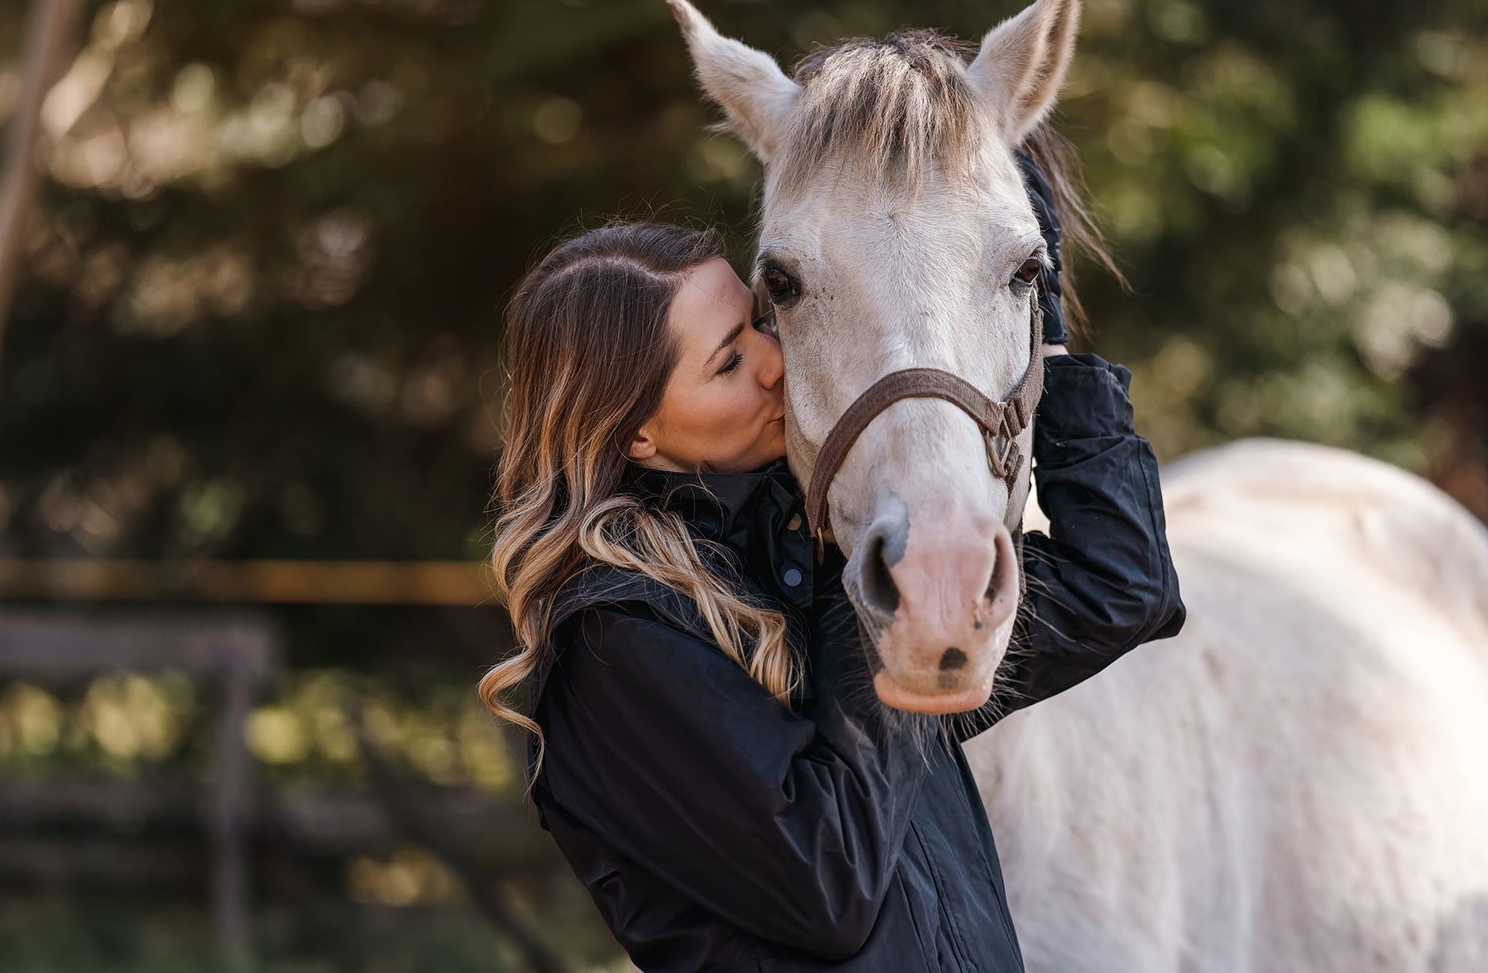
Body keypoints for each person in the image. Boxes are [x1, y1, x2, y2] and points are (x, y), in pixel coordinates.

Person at [478, 154, 1186, 972]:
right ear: (639, 434)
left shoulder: (803, 561)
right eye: (728, 362)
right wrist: (876, 596)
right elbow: (826, 888)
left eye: (759, 323)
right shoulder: (617, 639)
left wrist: (1046, 336)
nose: (776, 358)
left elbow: (1122, 587)